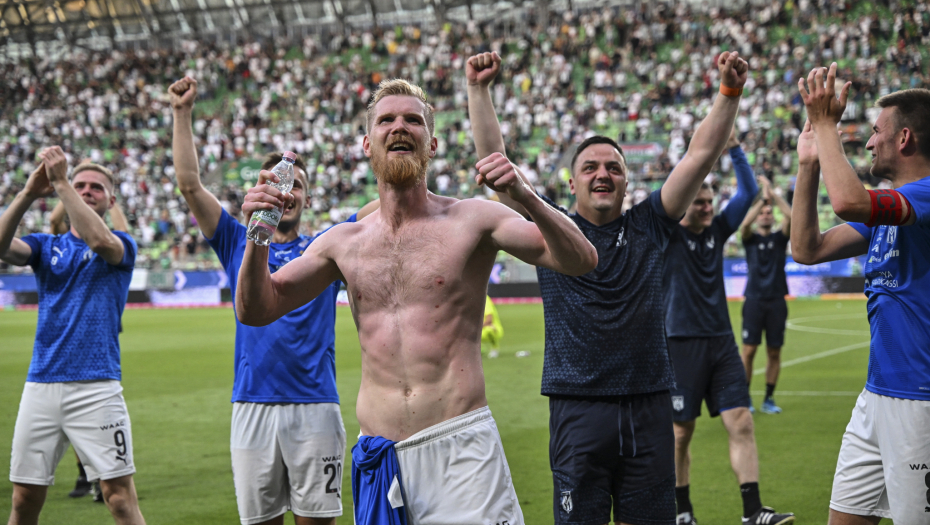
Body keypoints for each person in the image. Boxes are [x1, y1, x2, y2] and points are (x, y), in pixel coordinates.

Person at [235, 78, 598, 525]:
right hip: (382, 458)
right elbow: (257, 308)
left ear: (433, 142)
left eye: (413, 120)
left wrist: (527, 198)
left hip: (460, 448)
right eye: (386, 120)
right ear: (368, 144)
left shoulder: (473, 219)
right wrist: (258, 236)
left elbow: (582, 259)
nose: (399, 127)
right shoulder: (342, 242)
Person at [468, 50, 753, 525]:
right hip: (578, 409)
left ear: (626, 182)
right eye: (590, 168)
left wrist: (729, 94)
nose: (603, 174)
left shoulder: (652, 224)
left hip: (649, 404)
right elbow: (500, 174)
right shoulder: (551, 230)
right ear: (574, 183)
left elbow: (700, 155)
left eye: (613, 168)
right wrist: (479, 90)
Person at [169, 76, 378, 525]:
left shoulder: (328, 244)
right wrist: (182, 112)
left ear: (306, 197)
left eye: (298, 186)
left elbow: (385, 203)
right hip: (252, 406)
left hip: (315, 405)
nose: (289, 192)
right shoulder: (234, 240)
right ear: (262, 190)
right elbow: (189, 184)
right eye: (279, 184)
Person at [794, 65, 930, 525]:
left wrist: (828, 124)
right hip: (876, 396)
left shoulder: (927, 197)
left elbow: (851, 202)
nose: (869, 142)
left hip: (920, 401)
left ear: (905, 138)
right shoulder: (890, 211)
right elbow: (807, 248)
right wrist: (808, 164)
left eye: (875, 132)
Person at [0, 148, 146, 525]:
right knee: (24, 498)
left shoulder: (123, 245)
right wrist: (28, 193)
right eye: (80, 184)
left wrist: (62, 183)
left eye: (96, 187)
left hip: (98, 386)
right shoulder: (45, 247)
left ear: (111, 200)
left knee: (119, 499)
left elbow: (100, 243)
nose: (86, 190)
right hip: (42, 383)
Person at [664, 129, 795, 525]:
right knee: (680, 434)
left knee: (741, 420)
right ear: (684, 202)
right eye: (699, 202)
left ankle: (753, 511)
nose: (707, 208)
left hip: (721, 342)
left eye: (709, 202)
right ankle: (682, 510)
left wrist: (735, 148)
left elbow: (749, 191)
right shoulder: (667, 233)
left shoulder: (718, 231)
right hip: (680, 343)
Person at [738, 176, 792, 415]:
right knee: (748, 351)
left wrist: (772, 195)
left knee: (774, 351)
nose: (766, 214)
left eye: (770, 212)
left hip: (777, 300)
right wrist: (762, 199)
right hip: (754, 300)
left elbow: (790, 217)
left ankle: (769, 398)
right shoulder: (751, 240)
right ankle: (744, 396)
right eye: (763, 212)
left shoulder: (780, 239)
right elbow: (744, 225)